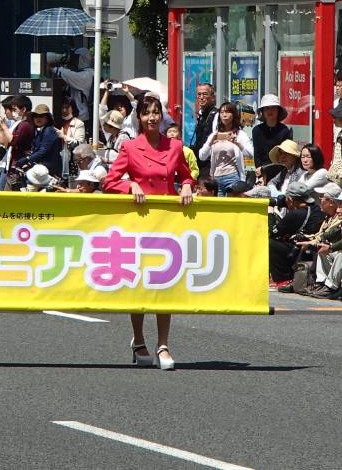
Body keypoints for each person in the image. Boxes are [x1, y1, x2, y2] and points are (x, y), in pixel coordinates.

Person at [103, 93, 195, 371]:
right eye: (147, 113)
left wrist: (188, 184)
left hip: (167, 224)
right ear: (139, 118)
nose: (152, 117)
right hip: (139, 222)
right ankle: (139, 340)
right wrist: (129, 186)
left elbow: (186, 174)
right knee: (140, 284)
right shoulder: (130, 147)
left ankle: (163, 344)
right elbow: (109, 181)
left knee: (164, 284)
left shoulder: (175, 145)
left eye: (156, 112)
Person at [198, 101, 254, 196]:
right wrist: (210, 143)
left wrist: (237, 143)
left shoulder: (240, 134)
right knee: (219, 208)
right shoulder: (214, 135)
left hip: (232, 177)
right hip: (216, 178)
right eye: (222, 112)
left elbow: (250, 154)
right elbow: (202, 156)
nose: (224, 115)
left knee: (232, 207)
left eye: (228, 112)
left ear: (233, 115)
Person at [17, 103, 62, 178]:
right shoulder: (40, 131)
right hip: (42, 170)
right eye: (36, 116)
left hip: (49, 172)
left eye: (41, 116)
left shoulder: (49, 131)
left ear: (47, 118)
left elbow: (43, 151)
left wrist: (27, 159)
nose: (38, 118)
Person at [252, 94, 292, 173]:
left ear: (278, 110)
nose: (270, 111)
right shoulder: (256, 130)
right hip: (261, 170)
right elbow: (257, 154)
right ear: (262, 111)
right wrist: (261, 170)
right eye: (267, 108)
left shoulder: (284, 130)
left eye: (273, 108)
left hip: (280, 170)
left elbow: (286, 154)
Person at [192, 83, 219, 176]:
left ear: (212, 97)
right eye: (199, 94)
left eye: (205, 94)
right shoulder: (201, 114)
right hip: (199, 162)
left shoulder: (216, 114)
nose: (201, 97)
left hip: (210, 164)